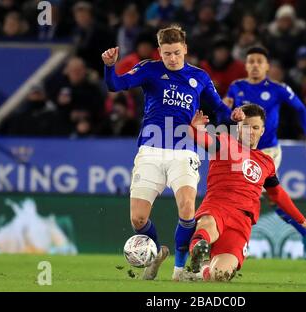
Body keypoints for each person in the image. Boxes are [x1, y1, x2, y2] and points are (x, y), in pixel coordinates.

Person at [101, 25, 244, 281]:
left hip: (184, 150)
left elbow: (220, 110)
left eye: (177, 53)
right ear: (160, 52)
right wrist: (110, 66)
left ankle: (179, 270)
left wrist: (233, 117)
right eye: (167, 53)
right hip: (150, 150)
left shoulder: (199, 77)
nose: (172, 58)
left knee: (187, 208)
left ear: (185, 49)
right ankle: (155, 255)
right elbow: (116, 84)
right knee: (138, 219)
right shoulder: (149, 69)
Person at [183, 104, 306, 281]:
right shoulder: (225, 142)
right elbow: (200, 138)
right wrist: (193, 128)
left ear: (262, 131)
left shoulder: (266, 162)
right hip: (218, 207)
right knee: (208, 225)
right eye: (246, 127)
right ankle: (197, 249)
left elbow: (278, 194)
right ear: (238, 128)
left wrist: (303, 221)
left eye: (255, 127)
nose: (251, 131)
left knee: (220, 275)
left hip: (242, 221)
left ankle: (200, 271)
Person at [224, 47, 306, 259]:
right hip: (241, 150)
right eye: (251, 61)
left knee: (250, 193)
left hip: (267, 152)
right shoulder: (236, 87)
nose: (255, 65)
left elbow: (301, 109)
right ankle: (302, 231)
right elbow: (226, 113)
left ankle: (240, 243)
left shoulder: (278, 89)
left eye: (260, 61)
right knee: (261, 197)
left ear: (267, 66)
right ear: (246, 65)